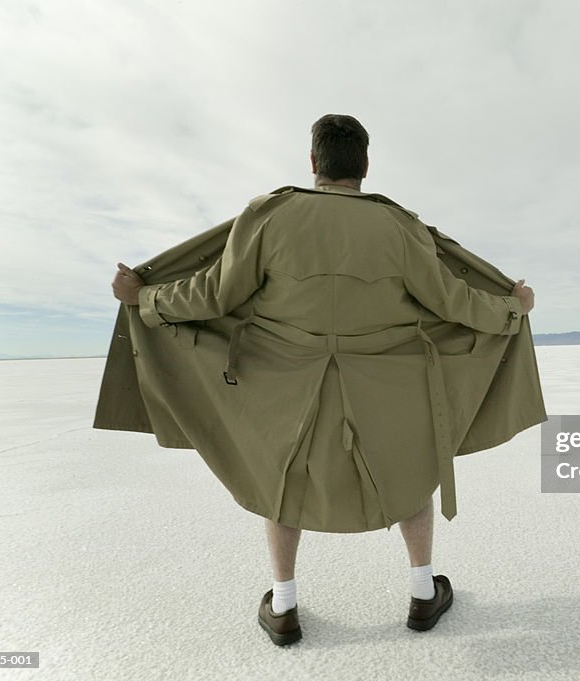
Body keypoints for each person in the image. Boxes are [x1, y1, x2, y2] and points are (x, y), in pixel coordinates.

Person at [109, 114, 537, 645]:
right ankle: (424, 594)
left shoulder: (269, 217)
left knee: (280, 483)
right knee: (411, 472)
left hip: (284, 386)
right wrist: (511, 309)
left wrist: (144, 298)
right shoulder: (400, 226)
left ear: (314, 163)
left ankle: (284, 606)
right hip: (387, 388)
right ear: (364, 166)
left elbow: (211, 297)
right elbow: (454, 302)